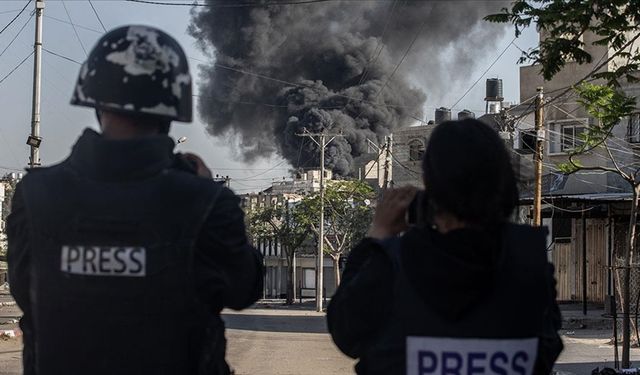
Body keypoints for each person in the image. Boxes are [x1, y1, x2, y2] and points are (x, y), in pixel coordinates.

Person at [7, 25, 263, 375]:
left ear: (95, 98)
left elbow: (26, 294)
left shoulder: (34, 194)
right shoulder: (206, 202)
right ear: (173, 106)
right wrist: (212, 196)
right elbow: (244, 289)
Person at [327, 119, 563, 375]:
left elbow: (347, 333)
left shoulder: (393, 262)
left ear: (430, 187)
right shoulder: (528, 262)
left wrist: (377, 236)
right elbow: (545, 350)